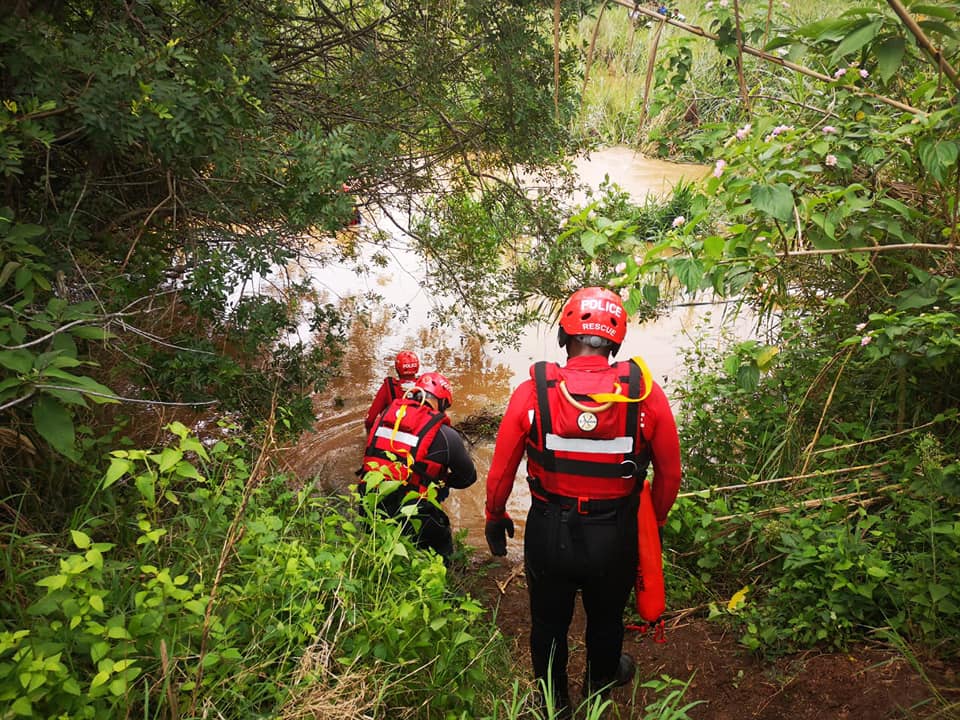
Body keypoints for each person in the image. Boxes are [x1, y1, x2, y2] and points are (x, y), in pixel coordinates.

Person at [484, 286, 682, 714]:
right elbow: (670, 474)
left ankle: (555, 706)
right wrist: (654, 522)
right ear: (614, 342)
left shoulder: (532, 392)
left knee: (548, 625)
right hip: (616, 532)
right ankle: (596, 697)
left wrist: (495, 515)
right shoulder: (644, 394)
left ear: (564, 336)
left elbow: (500, 473)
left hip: (549, 530)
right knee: (606, 620)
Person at [360, 371, 477, 561]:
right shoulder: (446, 435)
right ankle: (443, 578)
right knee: (441, 546)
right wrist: (440, 482)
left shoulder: (387, 418)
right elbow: (468, 478)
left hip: (370, 501)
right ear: (441, 403)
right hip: (412, 513)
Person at [364, 350, 420, 432]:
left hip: (394, 434)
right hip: (419, 433)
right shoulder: (424, 386)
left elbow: (370, 420)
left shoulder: (389, 387)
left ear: (397, 368)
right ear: (417, 367)